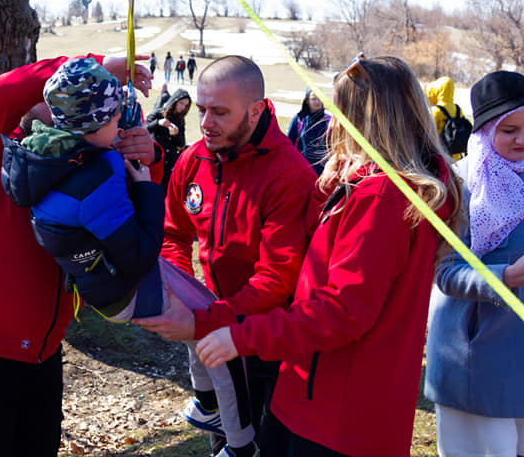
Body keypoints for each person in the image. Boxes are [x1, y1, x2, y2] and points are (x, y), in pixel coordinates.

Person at [195, 55, 463, 457]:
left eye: (339, 112)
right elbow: (324, 256)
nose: (332, 124)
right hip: (316, 395)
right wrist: (329, 190)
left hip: (336, 413)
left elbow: (342, 310)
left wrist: (242, 335)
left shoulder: (382, 199)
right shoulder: (379, 188)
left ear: (362, 120)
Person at [1, 57, 259, 457]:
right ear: (94, 124)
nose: (120, 122)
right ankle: (242, 444)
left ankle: (207, 405)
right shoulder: (99, 173)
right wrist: (144, 187)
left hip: (102, 284)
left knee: (203, 314)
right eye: (114, 117)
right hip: (128, 285)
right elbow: (139, 253)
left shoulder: (45, 158)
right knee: (217, 331)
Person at [0, 54, 156, 457]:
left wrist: (143, 165)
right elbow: (3, 92)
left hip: (42, 351)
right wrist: (96, 65)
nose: (59, 105)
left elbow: (130, 233)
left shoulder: (78, 162)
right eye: (50, 94)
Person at [133, 56, 318, 457]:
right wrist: (183, 295)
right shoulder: (194, 159)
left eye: (220, 112)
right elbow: (173, 233)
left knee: (263, 447)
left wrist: (205, 319)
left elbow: (276, 279)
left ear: (255, 110)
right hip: (216, 331)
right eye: (201, 110)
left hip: (272, 344)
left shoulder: (289, 174)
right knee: (223, 442)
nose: (206, 123)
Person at [425, 70, 524, 457]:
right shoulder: (464, 186)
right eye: (510, 130)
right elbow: (446, 271)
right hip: (475, 356)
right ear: (485, 131)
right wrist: (507, 275)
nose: (521, 140)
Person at [146, 87, 191, 187]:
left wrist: (176, 134)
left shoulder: (180, 120)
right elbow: (145, 129)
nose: (182, 107)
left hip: (170, 163)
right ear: (175, 101)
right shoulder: (158, 113)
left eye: (185, 105)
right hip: (156, 159)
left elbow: (181, 143)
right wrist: (158, 123)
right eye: (181, 103)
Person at [425, 75, 471, 160]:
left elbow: (428, 135)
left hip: (440, 156)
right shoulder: (458, 109)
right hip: (455, 156)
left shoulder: (435, 111)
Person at [287, 89, 331, 175]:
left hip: (323, 170)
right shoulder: (299, 119)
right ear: (307, 101)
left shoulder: (329, 121)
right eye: (313, 99)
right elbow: (289, 143)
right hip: (302, 167)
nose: (317, 101)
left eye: (320, 98)